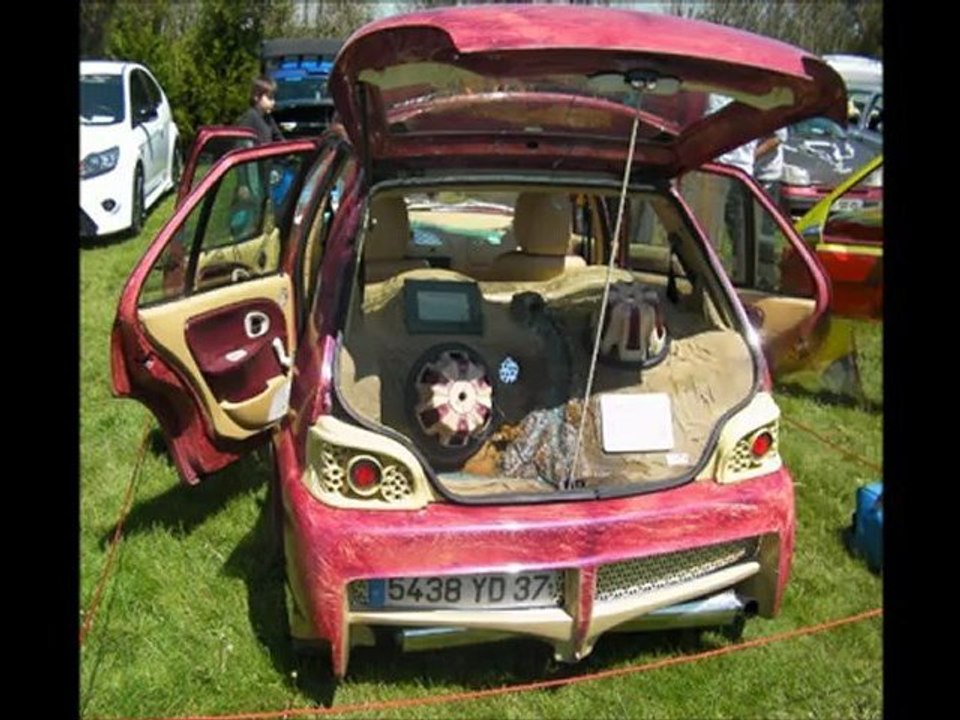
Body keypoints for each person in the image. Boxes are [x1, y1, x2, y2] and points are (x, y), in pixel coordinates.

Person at [235, 75, 284, 145]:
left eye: (274, 98)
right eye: (269, 98)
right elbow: (241, 145)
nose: (273, 102)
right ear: (256, 96)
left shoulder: (268, 118)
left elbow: (280, 141)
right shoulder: (249, 118)